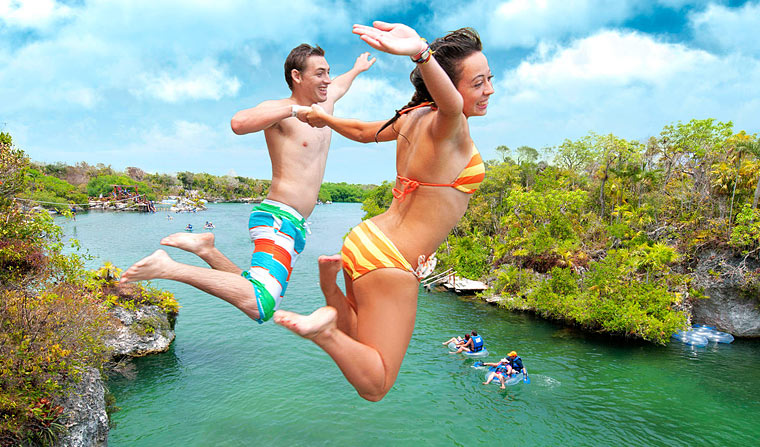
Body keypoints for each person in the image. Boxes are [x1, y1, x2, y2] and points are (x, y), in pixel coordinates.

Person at [273, 21, 493, 401]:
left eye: (489, 78)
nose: (488, 89)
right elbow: (452, 106)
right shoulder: (448, 123)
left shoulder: (413, 116)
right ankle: (323, 332)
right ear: (447, 85)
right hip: (392, 260)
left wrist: (325, 118)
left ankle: (330, 289)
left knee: (361, 342)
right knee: (376, 385)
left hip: (365, 240)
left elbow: (360, 130)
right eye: (477, 83)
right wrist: (420, 52)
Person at [119, 45, 375, 324]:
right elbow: (238, 123)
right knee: (260, 304)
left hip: (295, 223)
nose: (327, 79)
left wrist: (357, 69)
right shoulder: (279, 110)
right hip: (278, 217)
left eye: (328, 72)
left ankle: (206, 249)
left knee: (253, 285)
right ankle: (167, 267)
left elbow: (339, 85)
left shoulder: (325, 106)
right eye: (320, 73)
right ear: (297, 76)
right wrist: (292, 110)